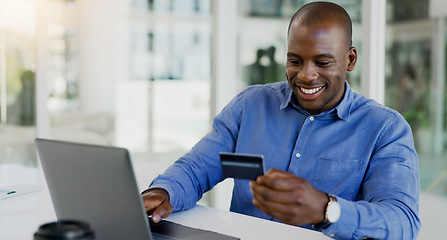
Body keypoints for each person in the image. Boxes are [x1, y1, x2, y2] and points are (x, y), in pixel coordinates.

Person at [142, 2, 421, 239]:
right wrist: (163, 191)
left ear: (350, 59)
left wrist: (326, 209)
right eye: (295, 61)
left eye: (322, 63)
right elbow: (197, 168)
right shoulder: (250, 106)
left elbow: (402, 221)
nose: (306, 75)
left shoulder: (385, 129)